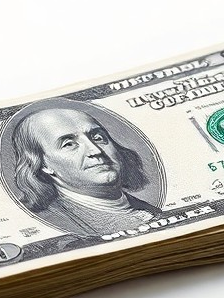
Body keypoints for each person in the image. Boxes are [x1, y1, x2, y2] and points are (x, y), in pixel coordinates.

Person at [11, 98, 161, 236]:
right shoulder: (56, 223)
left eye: (98, 138)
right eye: (69, 144)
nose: (95, 150)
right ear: (43, 165)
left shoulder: (146, 208)